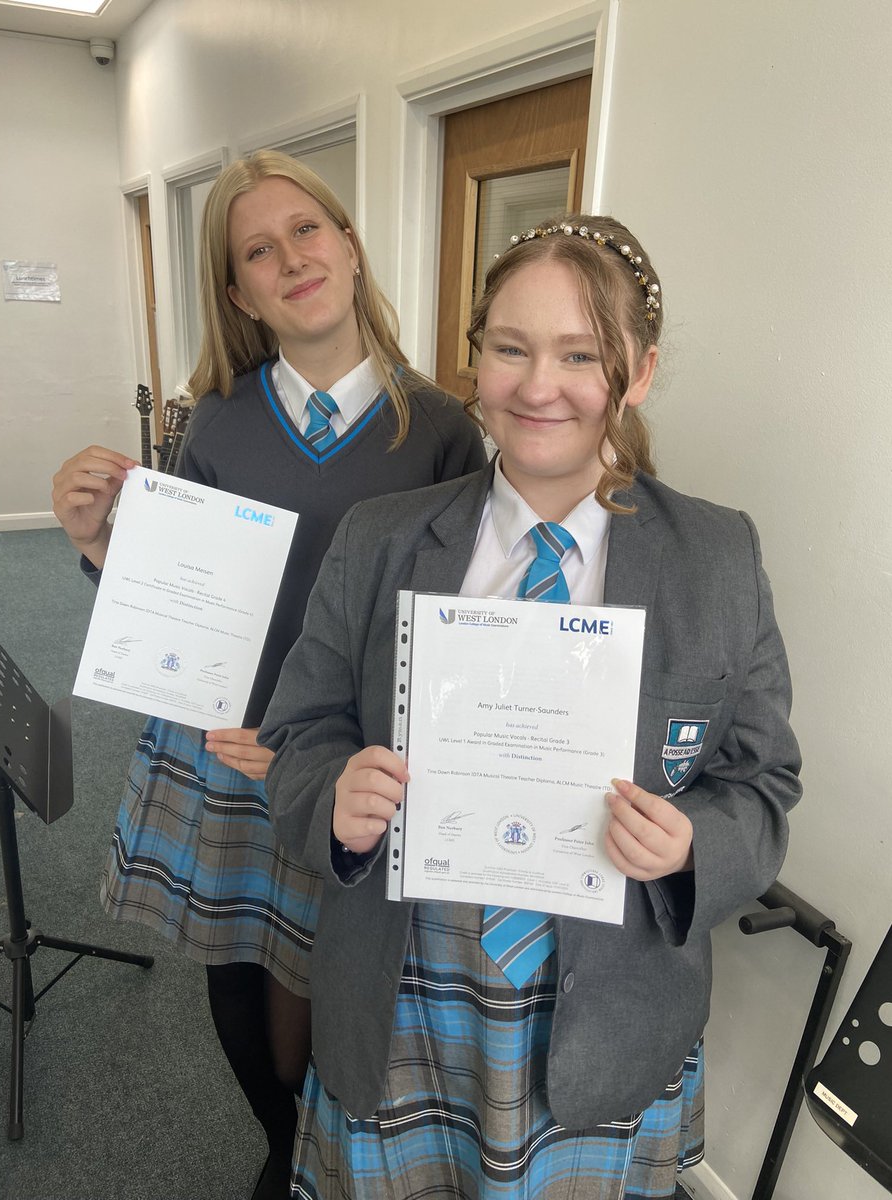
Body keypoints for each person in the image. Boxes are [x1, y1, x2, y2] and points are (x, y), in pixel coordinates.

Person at [260, 215, 803, 1199]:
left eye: (580, 354)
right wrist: (330, 791)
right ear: (475, 359)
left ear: (636, 371)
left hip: (609, 1008)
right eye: (509, 348)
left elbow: (762, 783)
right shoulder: (380, 538)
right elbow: (300, 730)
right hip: (407, 992)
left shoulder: (718, 559)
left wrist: (691, 845)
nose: (538, 385)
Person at [51, 150, 485, 1200]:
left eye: (308, 230)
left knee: (331, 980)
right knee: (240, 975)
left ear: (347, 244)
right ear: (239, 291)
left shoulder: (439, 430)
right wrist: (101, 548)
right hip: (223, 748)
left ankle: (317, 1148)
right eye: (259, 249)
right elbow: (174, 606)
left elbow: (460, 629)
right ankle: (280, 1146)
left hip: (346, 767)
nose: (291, 258)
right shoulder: (220, 423)